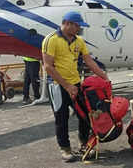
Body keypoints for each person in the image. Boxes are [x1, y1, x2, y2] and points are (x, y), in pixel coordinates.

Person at [42, 11, 109, 162]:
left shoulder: (79, 41)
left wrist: (103, 76)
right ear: (68, 23)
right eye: (77, 26)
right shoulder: (51, 40)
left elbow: (89, 61)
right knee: (61, 117)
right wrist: (67, 86)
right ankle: (65, 148)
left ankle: (84, 143)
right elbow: (48, 67)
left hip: (75, 83)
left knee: (85, 114)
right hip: (57, 85)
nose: (79, 29)